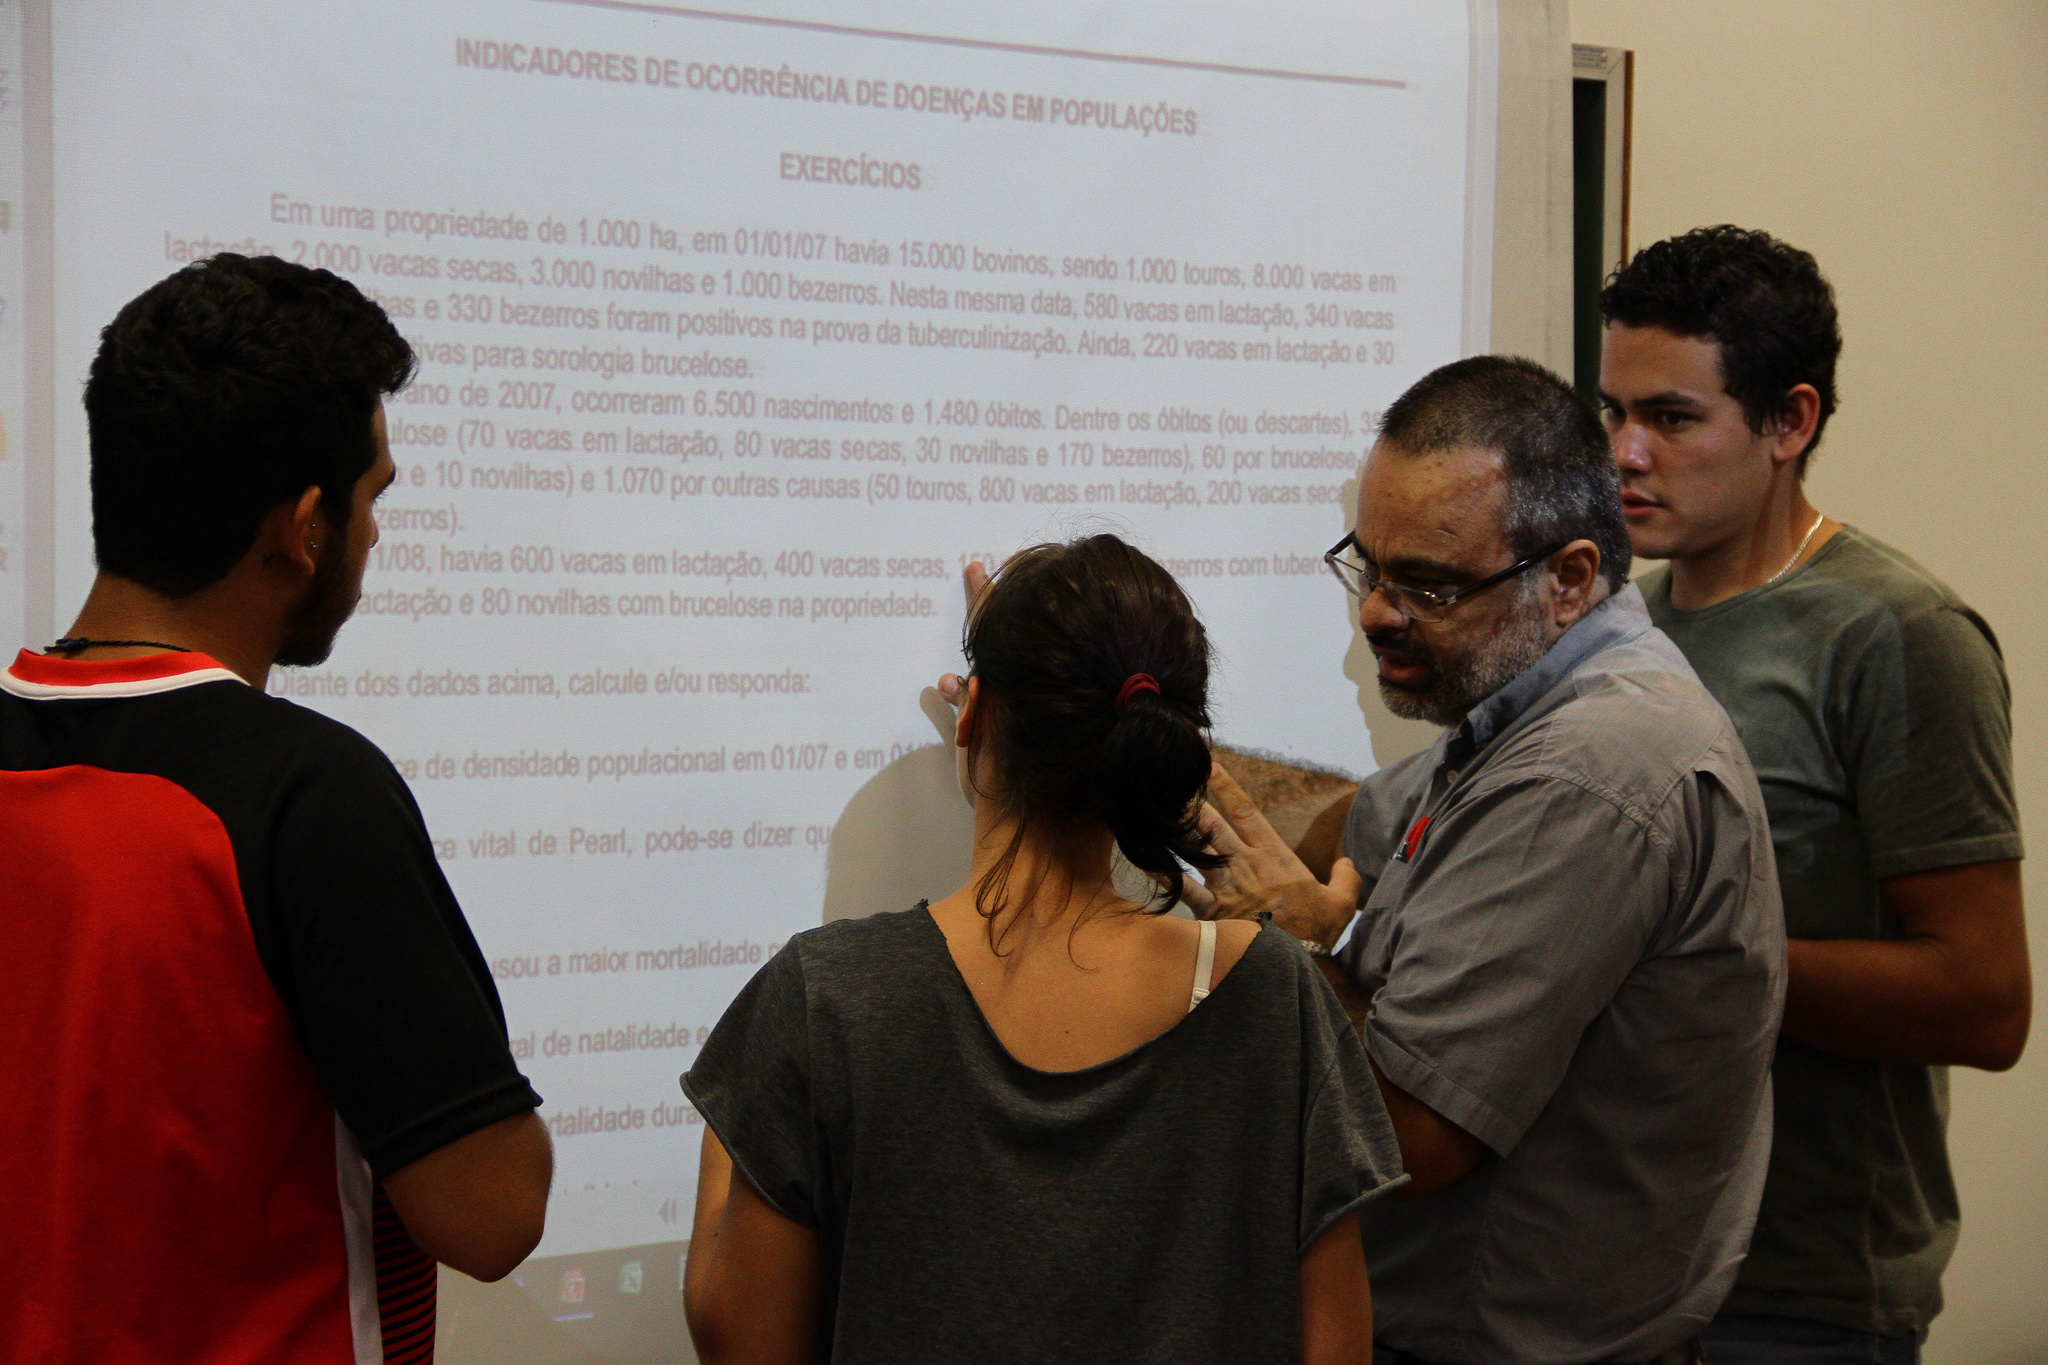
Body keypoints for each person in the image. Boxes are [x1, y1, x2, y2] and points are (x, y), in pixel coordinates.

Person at [0, 254, 551, 1365]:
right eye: (372, 498)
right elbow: (491, 1213)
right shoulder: (308, 794)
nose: (377, 536)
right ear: (301, 529)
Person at [1189, 356, 1787, 1365]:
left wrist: (1287, 942)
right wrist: (1136, 738)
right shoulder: (1523, 702)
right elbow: (1345, 828)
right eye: (1365, 567)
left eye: (1424, 584)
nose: (1376, 612)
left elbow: (1407, 1139)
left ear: (1566, 578)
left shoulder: (1588, 769)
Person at [681, 534, 1404, 1365]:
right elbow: (1337, 1348)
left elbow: (743, 1342)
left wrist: (734, 1117)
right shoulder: (1273, 989)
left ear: (975, 713)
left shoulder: (825, 999)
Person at [1599, 226, 2030, 1364]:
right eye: (1612, 413)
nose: (1623, 454)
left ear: (1788, 422)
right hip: (1611, 1261)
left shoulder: (1894, 635)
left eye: (1671, 419)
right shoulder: (1614, 629)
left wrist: (1679, 956)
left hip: (1801, 1294)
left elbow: (1983, 1002)